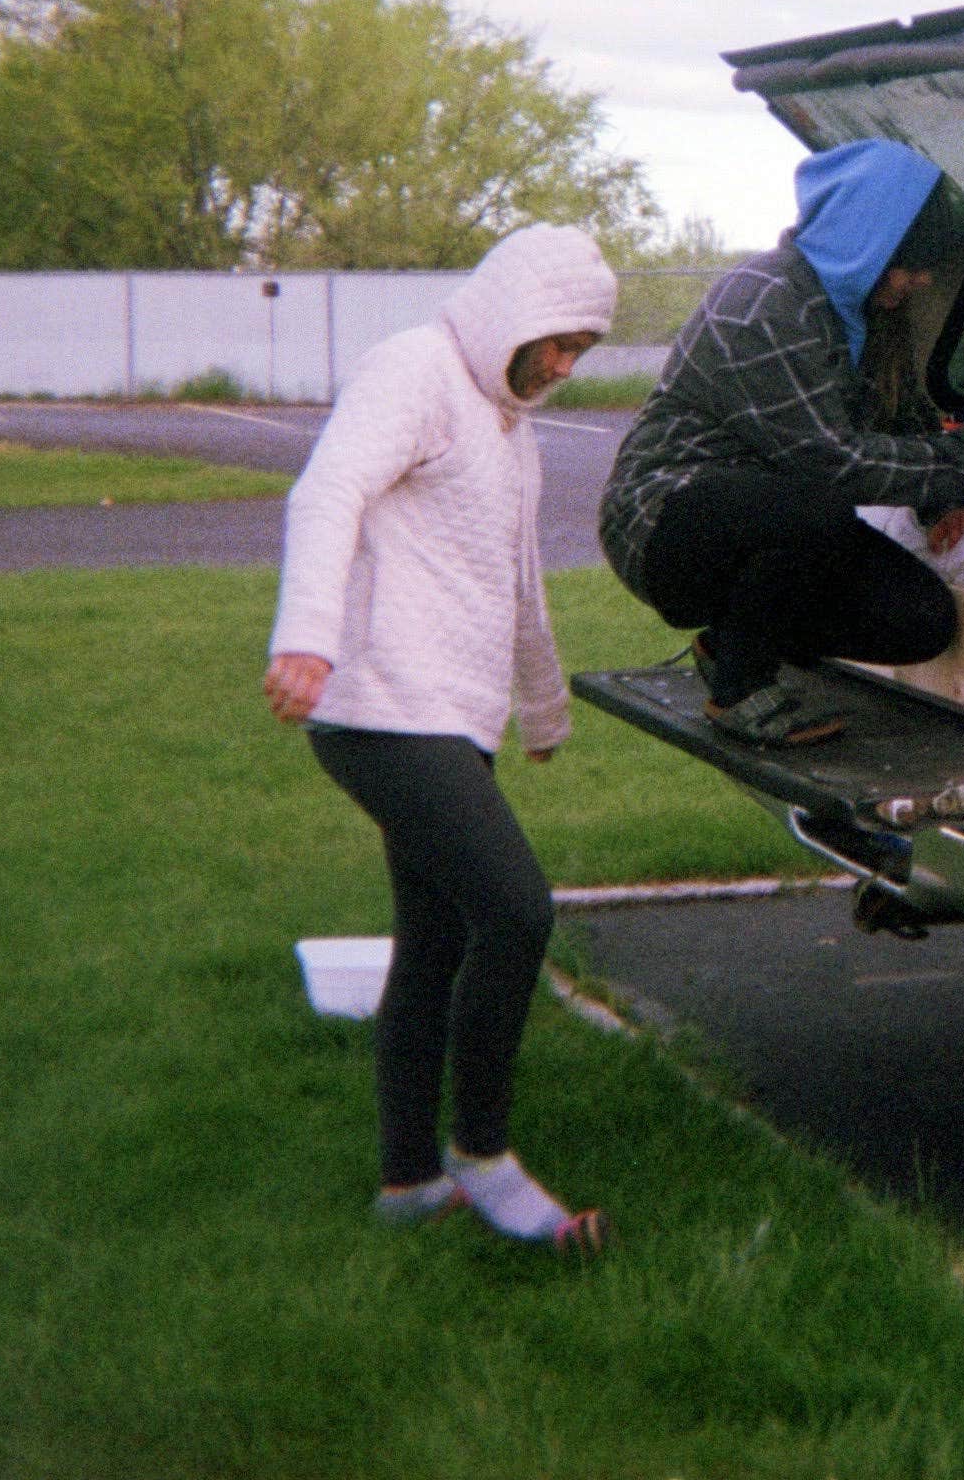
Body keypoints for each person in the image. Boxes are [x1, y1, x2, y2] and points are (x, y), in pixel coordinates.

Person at [262, 223, 616, 1246]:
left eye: (581, 349)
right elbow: (328, 490)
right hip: (379, 706)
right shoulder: (414, 368)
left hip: (448, 718)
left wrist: (541, 708)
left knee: (437, 939)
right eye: (558, 340)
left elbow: (520, 582)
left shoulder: (511, 429)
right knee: (516, 910)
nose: (564, 364)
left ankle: (408, 1182)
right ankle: (482, 1152)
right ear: (513, 314)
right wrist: (307, 637)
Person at [599, 138, 964, 744]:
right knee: (819, 505)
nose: (922, 278)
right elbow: (834, 461)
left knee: (920, 620)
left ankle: (730, 644)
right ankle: (740, 690)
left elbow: (901, 420)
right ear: (865, 241)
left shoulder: (860, 311)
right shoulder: (764, 301)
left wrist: (938, 501)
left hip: (774, 511)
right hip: (663, 517)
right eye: (911, 261)